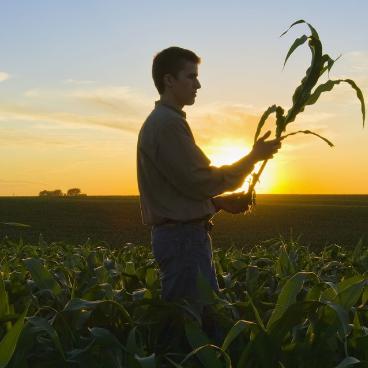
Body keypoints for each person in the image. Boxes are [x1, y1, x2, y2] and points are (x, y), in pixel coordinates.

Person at [136, 46, 281, 342]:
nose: (198, 85)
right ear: (169, 81)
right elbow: (200, 181)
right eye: (191, 77)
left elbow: (180, 188)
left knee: (199, 323)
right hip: (183, 242)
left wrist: (216, 203)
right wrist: (252, 158)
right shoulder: (167, 125)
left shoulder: (167, 122)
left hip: (183, 238)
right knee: (191, 332)